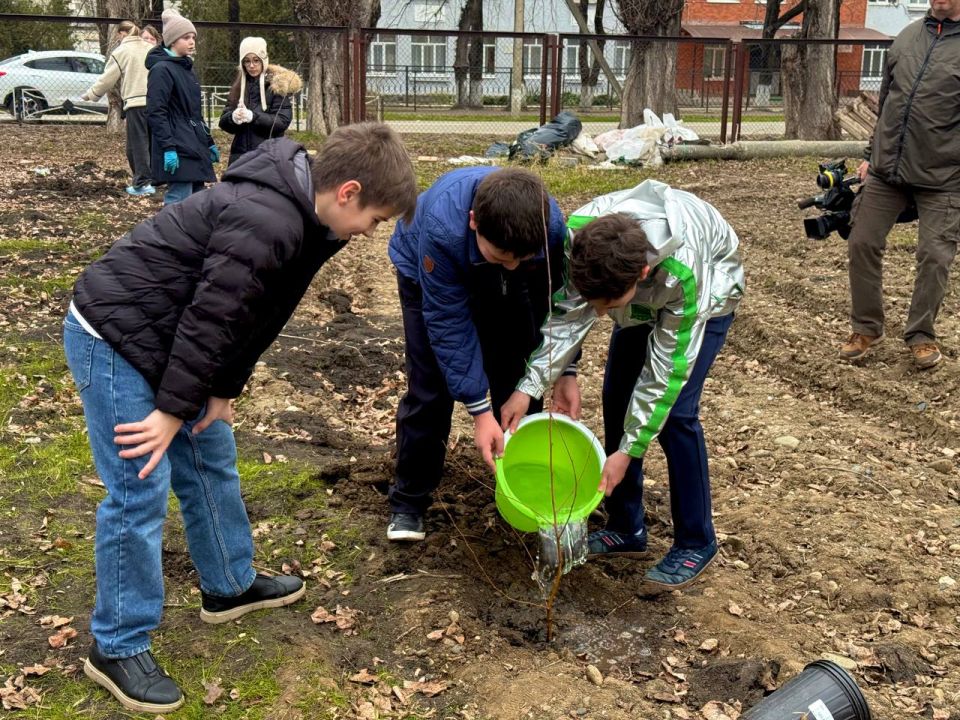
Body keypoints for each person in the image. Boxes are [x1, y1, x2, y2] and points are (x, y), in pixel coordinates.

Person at [63, 123, 417, 714]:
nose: (370, 233)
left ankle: (228, 585)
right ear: (349, 191)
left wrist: (223, 389)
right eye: (376, 220)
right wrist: (173, 411)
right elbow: (210, 319)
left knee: (211, 454)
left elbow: (255, 314)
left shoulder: (309, 221)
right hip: (114, 335)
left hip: (168, 336)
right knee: (138, 486)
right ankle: (117, 644)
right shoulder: (269, 220)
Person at [502, 180, 744, 590]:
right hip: (638, 302)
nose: (598, 313)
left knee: (675, 416)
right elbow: (567, 318)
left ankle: (696, 541)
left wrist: (629, 450)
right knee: (617, 398)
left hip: (709, 288)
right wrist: (528, 388)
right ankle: (626, 526)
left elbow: (664, 373)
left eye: (606, 307)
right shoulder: (580, 240)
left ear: (642, 273)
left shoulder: (683, 276)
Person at [386, 167, 568, 542]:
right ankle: (409, 501)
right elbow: (449, 324)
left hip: (503, 284)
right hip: (428, 278)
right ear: (474, 222)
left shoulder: (547, 227)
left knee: (518, 380)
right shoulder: (442, 229)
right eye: (502, 255)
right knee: (430, 390)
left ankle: (521, 491)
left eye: (523, 256)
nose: (514, 263)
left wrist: (565, 369)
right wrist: (479, 409)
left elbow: (552, 302)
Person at [839, 0, 960, 370]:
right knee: (862, 240)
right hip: (887, 170)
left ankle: (921, 334)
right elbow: (888, 104)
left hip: (944, 177)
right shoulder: (905, 39)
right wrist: (870, 154)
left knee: (935, 257)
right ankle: (867, 327)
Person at [146, 8, 217, 206]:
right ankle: (169, 236)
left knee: (197, 201)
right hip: (178, 144)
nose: (192, 41)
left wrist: (208, 141)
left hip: (193, 143)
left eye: (193, 37)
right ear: (172, 40)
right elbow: (156, 111)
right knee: (179, 200)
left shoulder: (186, 68)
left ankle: (188, 237)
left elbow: (194, 112)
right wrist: (168, 147)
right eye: (186, 37)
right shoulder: (162, 70)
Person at [80, 20, 154, 196]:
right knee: (153, 142)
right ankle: (155, 180)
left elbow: (107, 78)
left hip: (136, 103)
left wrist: (91, 94)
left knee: (137, 144)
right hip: (156, 101)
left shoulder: (121, 51)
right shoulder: (149, 48)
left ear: (121, 34)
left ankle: (143, 183)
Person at [219, 36, 302, 166]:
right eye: (247, 61)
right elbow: (223, 122)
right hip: (240, 156)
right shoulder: (238, 87)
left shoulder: (276, 86)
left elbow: (282, 122)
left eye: (256, 60)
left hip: (269, 155)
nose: (251, 65)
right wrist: (233, 118)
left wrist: (254, 117)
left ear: (263, 60)